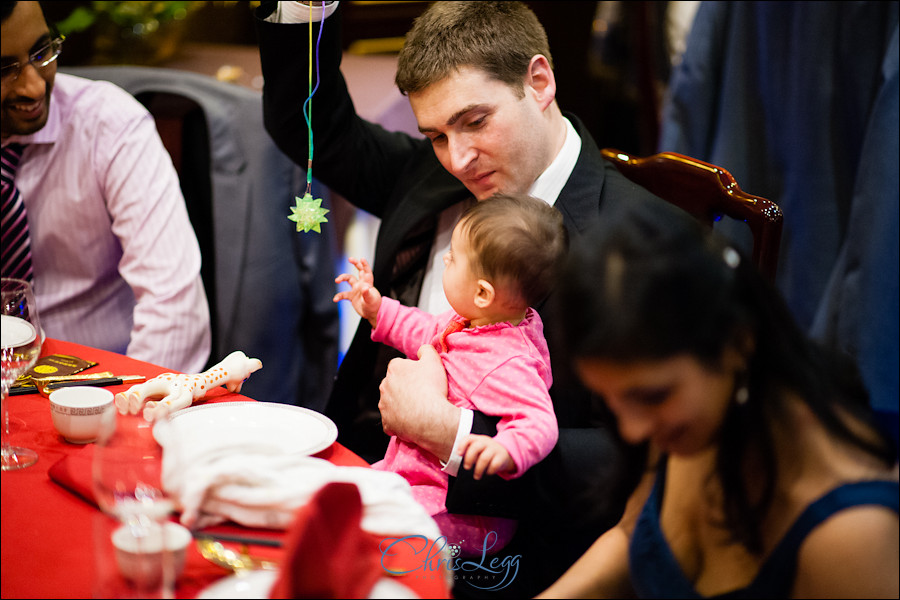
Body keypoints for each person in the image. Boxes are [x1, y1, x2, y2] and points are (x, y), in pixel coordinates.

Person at [256, 2, 667, 592]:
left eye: (475, 121)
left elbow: (641, 455)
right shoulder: (434, 174)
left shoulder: (635, 245)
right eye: (436, 135)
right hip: (361, 477)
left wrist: (452, 434)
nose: (459, 159)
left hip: (505, 550)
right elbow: (310, 125)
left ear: (539, 81)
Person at [539, 198, 899, 598]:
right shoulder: (688, 419)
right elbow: (632, 532)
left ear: (738, 345)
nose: (632, 429)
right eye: (609, 400)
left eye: (654, 396)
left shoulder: (851, 534)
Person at [334, 194, 562, 556]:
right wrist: (378, 309)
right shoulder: (473, 324)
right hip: (411, 477)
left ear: (483, 293)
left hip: (451, 509)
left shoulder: (509, 360)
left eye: (454, 259)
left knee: (358, 538)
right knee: (337, 493)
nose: (445, 258)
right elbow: (423, 329)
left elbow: (540, 421)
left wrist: (506, 450)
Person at [1, 1, 210, 373]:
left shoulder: (109, 125)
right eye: (3, 70)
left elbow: (173, 305)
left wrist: (131, 413)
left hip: (99, 384)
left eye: (42, 52)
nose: (33, 86)